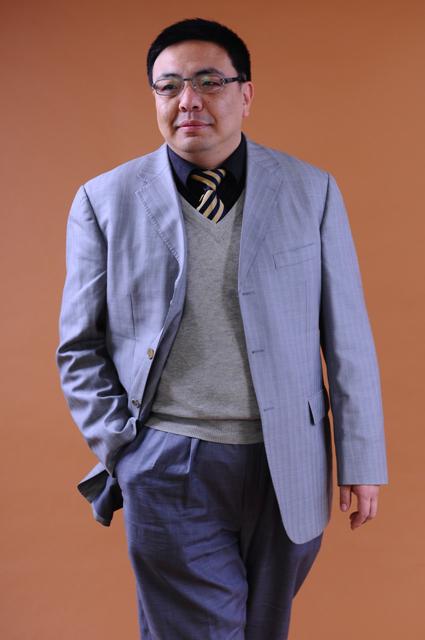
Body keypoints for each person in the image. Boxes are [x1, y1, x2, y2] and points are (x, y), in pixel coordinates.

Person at [56, 17, 388, 640]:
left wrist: (361, 457)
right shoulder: (104, 200)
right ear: (155, 98)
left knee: (263, 629)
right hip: (168, 462)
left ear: (246, 93)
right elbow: (79, 346)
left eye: (209, 82)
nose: (188, 101)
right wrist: (125, 449)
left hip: (290, 461)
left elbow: (348, 336)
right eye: (169, 86)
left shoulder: (311, 191)